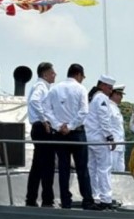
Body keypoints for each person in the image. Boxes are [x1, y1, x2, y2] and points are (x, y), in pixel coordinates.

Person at [41, 62, 96, 209]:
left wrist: (59, 125)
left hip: (59, 134)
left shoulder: (54, 89)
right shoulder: (80, 89)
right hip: (77, 132)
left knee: (64, 169)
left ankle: (66, 201)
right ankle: (87, 200)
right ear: (78, 75)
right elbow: (84, 111)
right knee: (82, 168)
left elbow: (46, 110)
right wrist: (70, 126)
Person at [84, 75, 120, 209]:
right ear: (103, 85)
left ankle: (95, 195)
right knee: (104, 168)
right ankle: (106, 198)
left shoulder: (91, 97)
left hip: (89, 138)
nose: (110, 91)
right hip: (100, 139)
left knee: (92, 168)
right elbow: (104, 120)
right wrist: (110, 137)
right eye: (109, 88)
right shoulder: (102, 98)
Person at [25, 62, 57, 207]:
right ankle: (47, 199)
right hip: (42, 128)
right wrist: (44, 120)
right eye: (52, 73)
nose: (54, 75)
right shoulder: (41, 87)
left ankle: (31, 198)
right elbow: (34, 101)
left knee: (38, 165)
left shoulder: (42, 86)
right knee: (47, 165)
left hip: (38, 127)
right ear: (45, 74)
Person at [110, 84, 127, 173]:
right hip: (113, 146)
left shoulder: (116, 108)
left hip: (120, 145)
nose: (121, 97)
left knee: (121, 171)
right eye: (119, 95)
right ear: (113, 94)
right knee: (111, 171)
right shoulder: (108, 107)